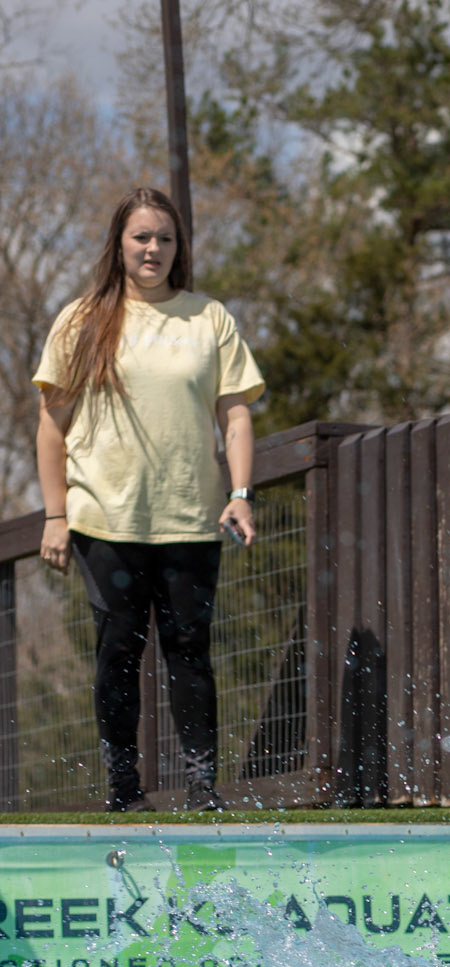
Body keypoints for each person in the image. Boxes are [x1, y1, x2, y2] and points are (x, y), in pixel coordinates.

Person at [33, 187, 265, 812]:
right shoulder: (82, 320)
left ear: (178, 247)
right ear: (119, 245)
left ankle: (202, 788)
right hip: (105, 518)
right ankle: (123, 790)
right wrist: (55, 515)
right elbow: (52, 427)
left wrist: (241, 493)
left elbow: (235, 414)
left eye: (165, 237)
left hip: (190, 518)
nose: (153, 249)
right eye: (141, 237)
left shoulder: (209, 318)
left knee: (190, 653)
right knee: (118, 654)